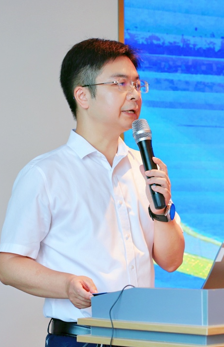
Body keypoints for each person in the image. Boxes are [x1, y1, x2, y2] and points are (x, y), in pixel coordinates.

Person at [0, 39, 185, 346]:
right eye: (120, 83)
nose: (134, 94)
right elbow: (7, 265)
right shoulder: (45, 174)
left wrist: (162, 211)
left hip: (144, 337)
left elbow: (172, 261)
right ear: (83, 95)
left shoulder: (146, 167)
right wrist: (66, 285)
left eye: (137, 84)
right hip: (82, 339)